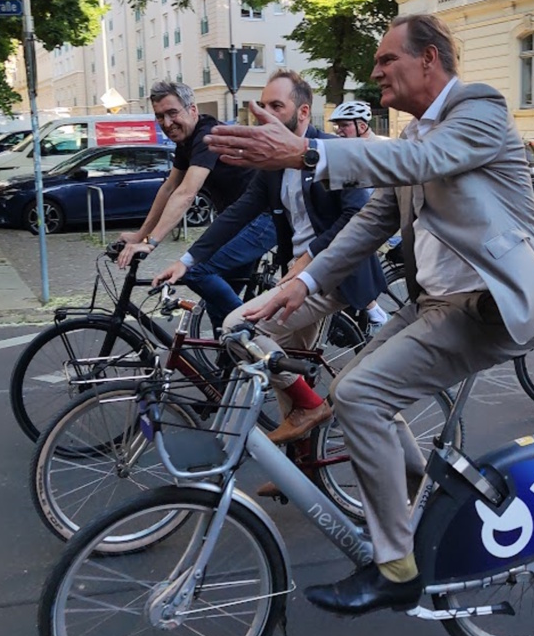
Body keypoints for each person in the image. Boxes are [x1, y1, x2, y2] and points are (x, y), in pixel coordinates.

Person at [204, 13, 534, 615]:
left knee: (361, 398)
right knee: (350, 390)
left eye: (386, 60)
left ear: (429, 60)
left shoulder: (480, 111)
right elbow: (373, 221)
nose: (375, 73)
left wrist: (307, 153)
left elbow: (424, 164)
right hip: (436, 302)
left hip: (490, 306)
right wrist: (307, 282)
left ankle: (396, 565)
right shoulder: (413, 137)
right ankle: (427, 502)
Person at [151, 69, 385, 448]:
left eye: (278, 106)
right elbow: (236, 214)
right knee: (287, 365)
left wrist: (306, 259)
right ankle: (302, 464)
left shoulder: (333, 152)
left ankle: (311, 407)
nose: (267, 114)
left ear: (303, 113)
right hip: (298, 278)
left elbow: (353, 216)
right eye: (264, 106)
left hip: (334, 274)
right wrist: (188, 261)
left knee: (238, 329)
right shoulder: (272, 167)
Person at [115, 82, 276, 330]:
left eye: (172, 113)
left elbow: (186, 193)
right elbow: (169, 189)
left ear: (192, 110)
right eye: (160, 116)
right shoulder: (186, 142)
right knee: (216, 298)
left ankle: (256, 337)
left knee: (196, 272)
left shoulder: (207, 136)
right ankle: (234, 358)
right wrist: (140, 236)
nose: (167, 123)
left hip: (263, 219)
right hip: (236, 222)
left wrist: (150, 243)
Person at [328, 100, 391, 333]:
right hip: (362, 218)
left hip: (381, 222)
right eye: (337, 127)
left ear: (362, 125)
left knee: (344, 254)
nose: (339, 131)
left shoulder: (378, 150)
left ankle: (375, 312)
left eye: (344, 125)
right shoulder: (348, 149)